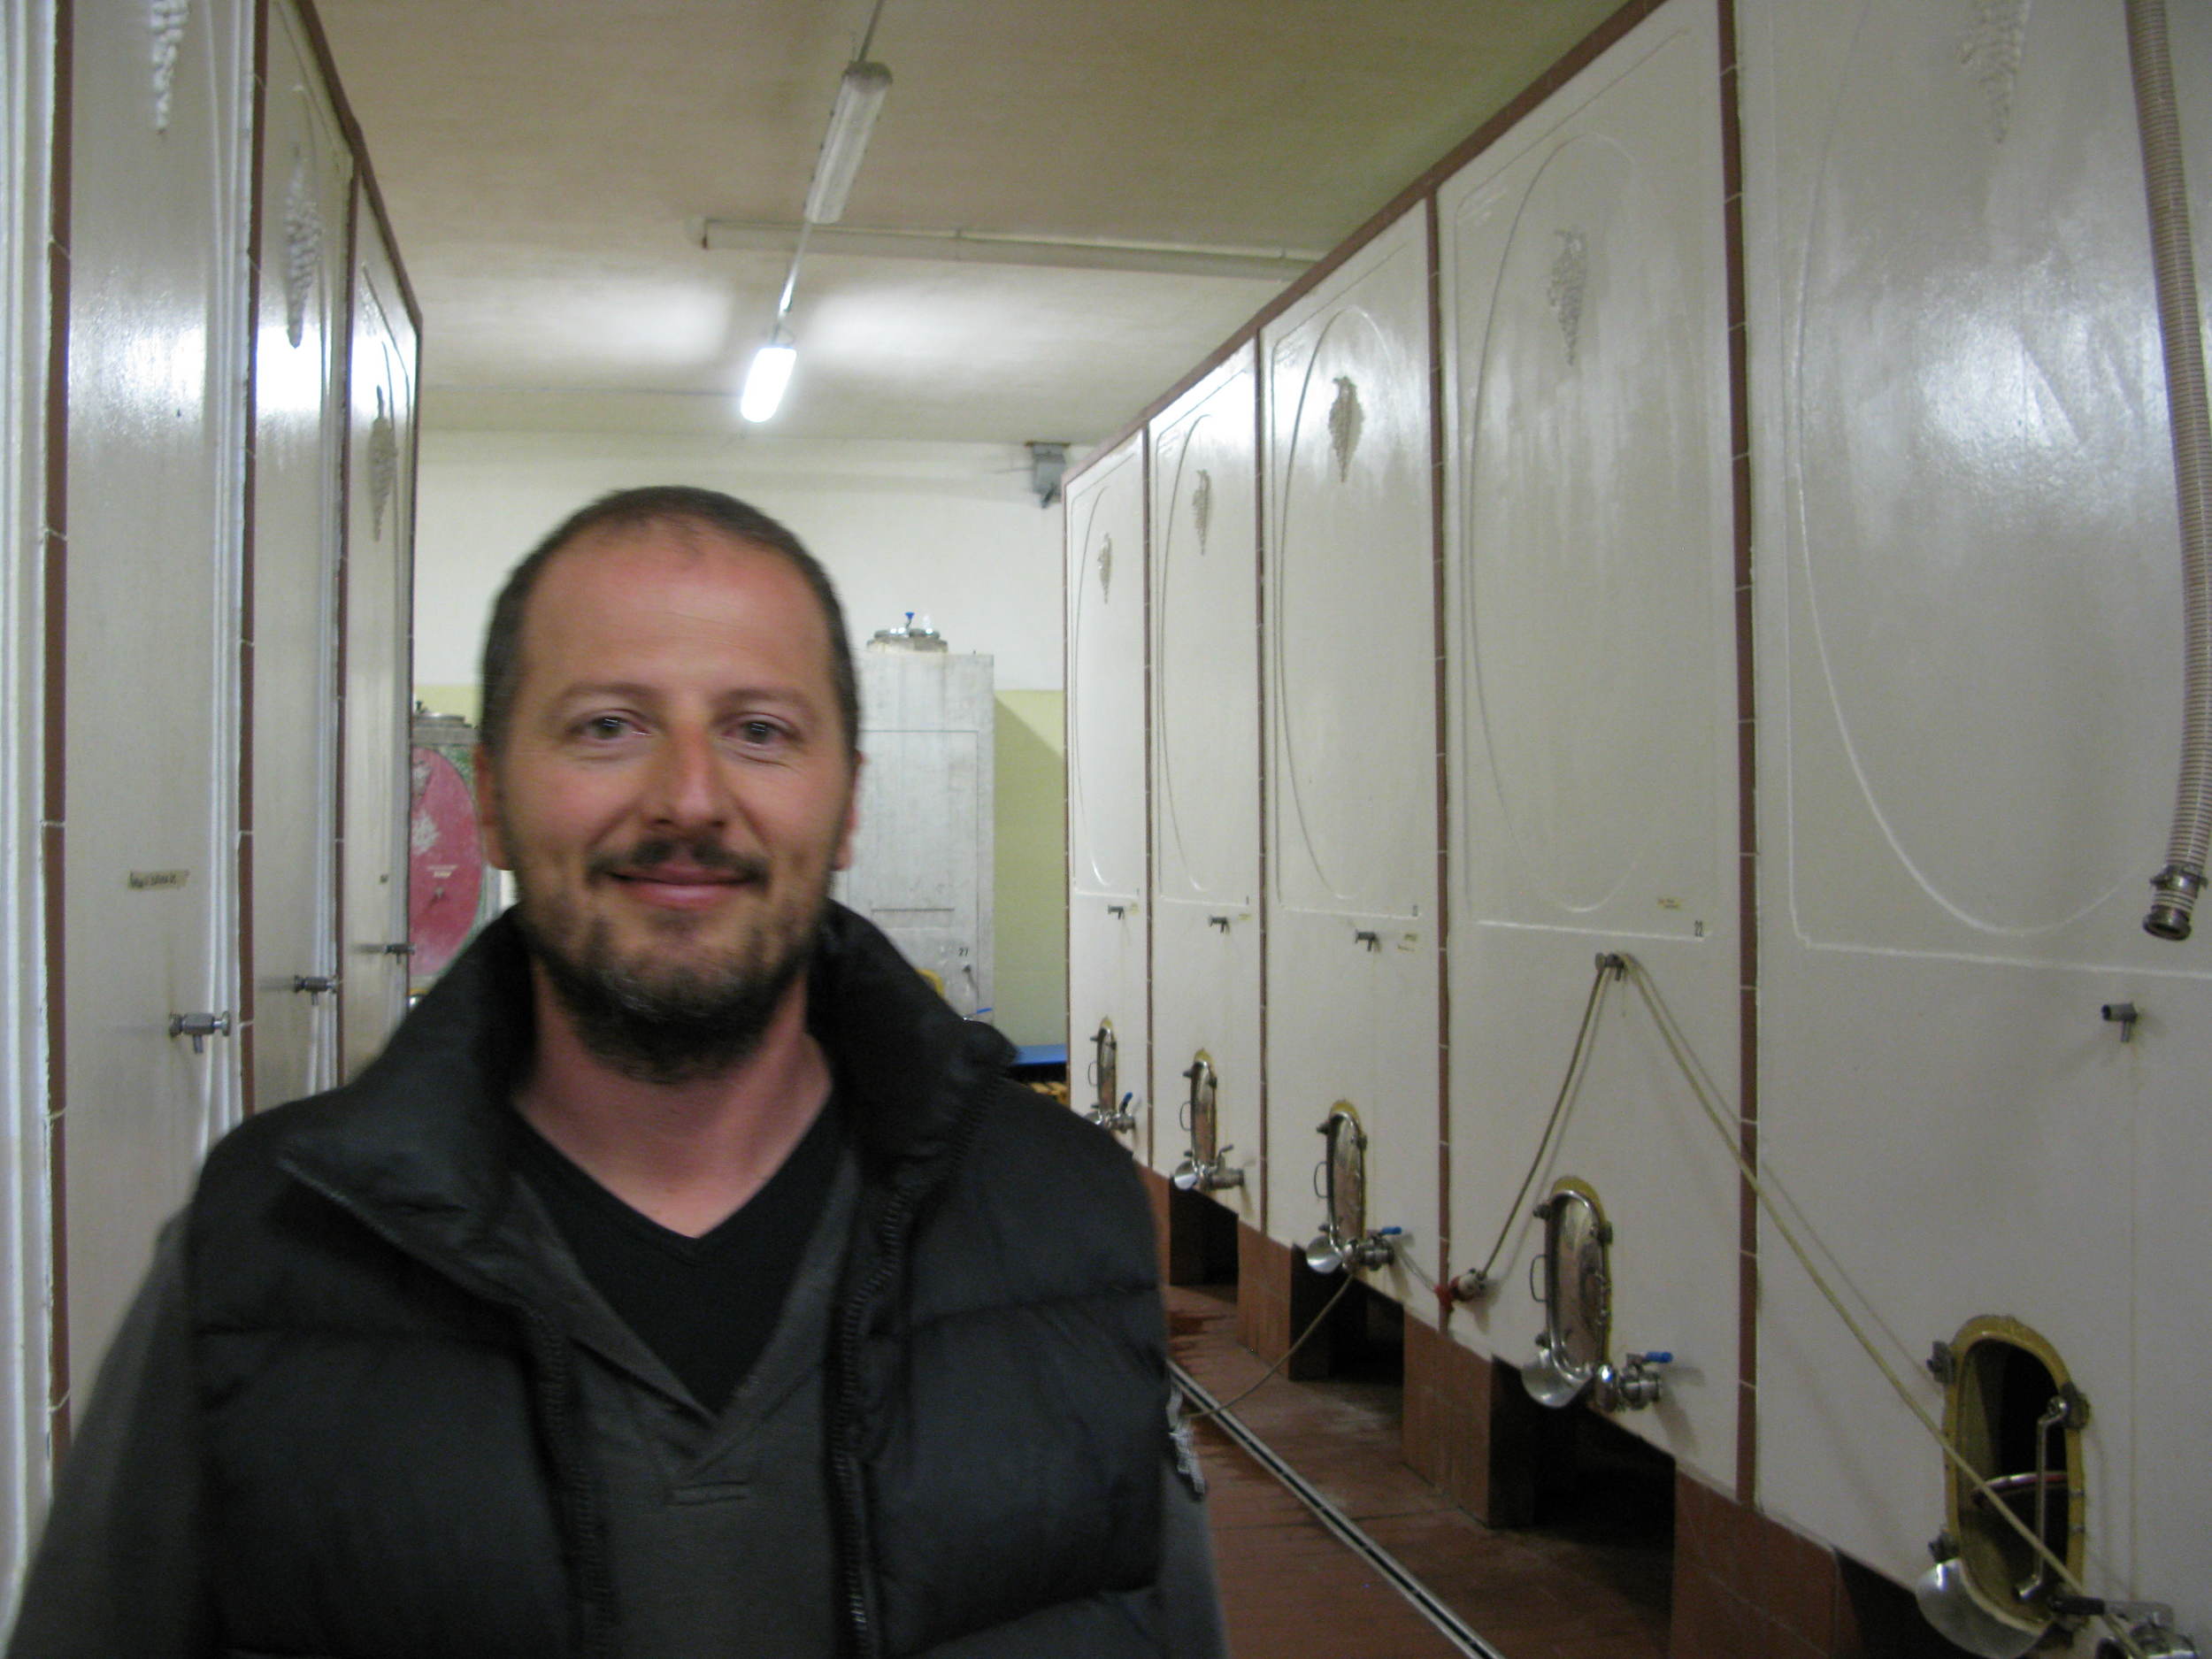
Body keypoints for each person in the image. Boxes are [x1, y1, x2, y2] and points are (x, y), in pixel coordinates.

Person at [9, 486, 1226, 1658]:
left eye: (759, 730)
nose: (688, 799)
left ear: (847, 800)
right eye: (608, 726)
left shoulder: (1066, 1219)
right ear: (488, 796)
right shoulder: (267, 1243)